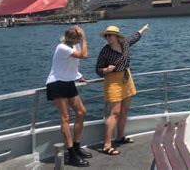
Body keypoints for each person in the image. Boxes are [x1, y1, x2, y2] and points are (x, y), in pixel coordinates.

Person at [95, 24, 150, 155]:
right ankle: (107, 145)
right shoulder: (105, 51)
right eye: (106, 35)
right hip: (113, 81)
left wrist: (142, 29)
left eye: (110, 35)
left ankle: (120, 137)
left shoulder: (124, 43)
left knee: (124, 111)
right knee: (114, 113)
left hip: (126, 78)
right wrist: (106, 70)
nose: (108, 37)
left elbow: (134, 37)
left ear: (117, 36)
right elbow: (98, 69)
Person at [46, 26, 92, 167]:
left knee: (81, 112)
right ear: (74, 38)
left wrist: (78, 76)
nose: (80, 40)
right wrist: (84, 38)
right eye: (78, 37)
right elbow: (84, 56)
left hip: (68, 82)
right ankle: (71, 154)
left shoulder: (73, 45)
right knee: (65, 118)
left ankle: (76, 146)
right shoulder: (62, 47)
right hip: (56, 83)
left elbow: (71, 64)